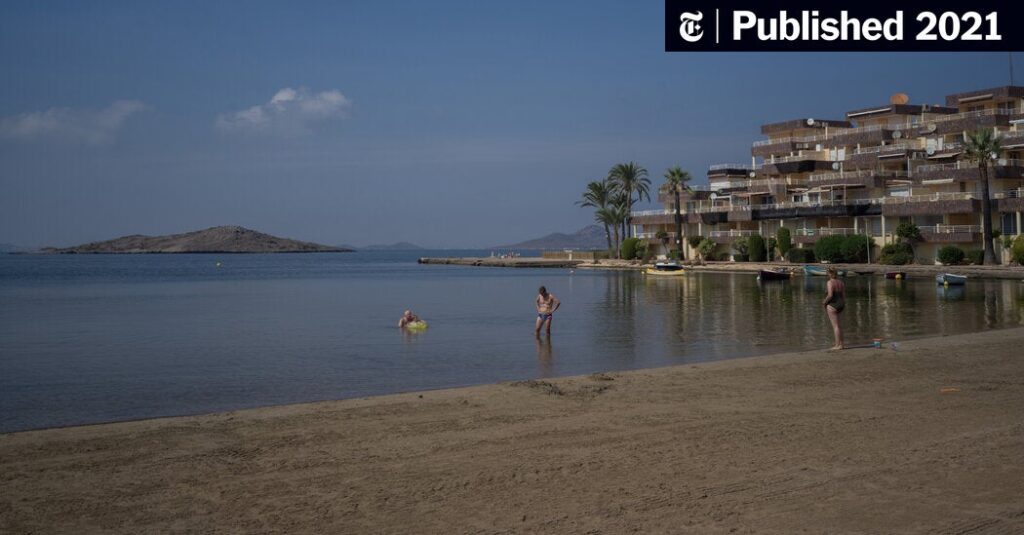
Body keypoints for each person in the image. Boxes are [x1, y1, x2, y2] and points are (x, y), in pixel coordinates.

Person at [823, 267, 845, 350]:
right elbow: (843, 296)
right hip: (841, 304)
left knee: (835, 326)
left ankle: (837, 345)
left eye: (827, 273)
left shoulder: (830, 282)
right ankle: (842, 344)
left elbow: (830, 295)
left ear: (829, 274)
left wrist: (824, 302)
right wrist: (842, 304)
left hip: (832, 304)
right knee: (839, 326)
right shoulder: (841, 282)